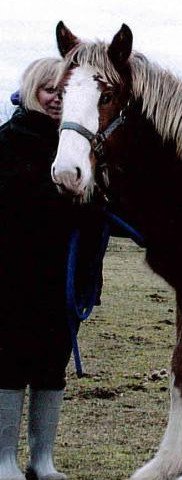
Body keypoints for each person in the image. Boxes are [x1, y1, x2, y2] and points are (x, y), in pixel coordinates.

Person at [0, 58, 104, 480]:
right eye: (50, 91)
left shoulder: (75, 143)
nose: (58, 99)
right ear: (31, 91)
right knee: (8, 361)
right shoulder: (10, 139)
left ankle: (42, 460)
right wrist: (61, 194)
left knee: (51, 362)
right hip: (13, 273)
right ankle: (4, 460)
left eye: (64, 93)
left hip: (61, 274)